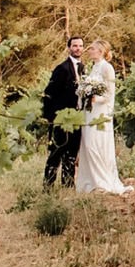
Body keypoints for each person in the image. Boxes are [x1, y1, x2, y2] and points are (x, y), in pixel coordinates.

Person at [75, 40, 132, 195]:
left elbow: (110, 94)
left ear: (100, 51)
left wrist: (96, 99)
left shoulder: (107, 68)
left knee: (96, 144)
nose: (89, 51)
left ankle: (103, 182)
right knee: (87, 145)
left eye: (92, 48)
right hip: (89, 112)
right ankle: (92, 182)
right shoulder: (93, 67)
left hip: (100, 112)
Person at [42, 35, 85, 188]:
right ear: (69, 48)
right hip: (62, 118)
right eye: (75, 46)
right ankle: (48, 187)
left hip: (77, 118)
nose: (78, 49)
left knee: (72, 153)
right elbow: (49, 94)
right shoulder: (62, 69)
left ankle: (68, 186)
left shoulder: (83, 68)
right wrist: (51, 118)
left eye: (80, 46)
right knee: (57, 152)